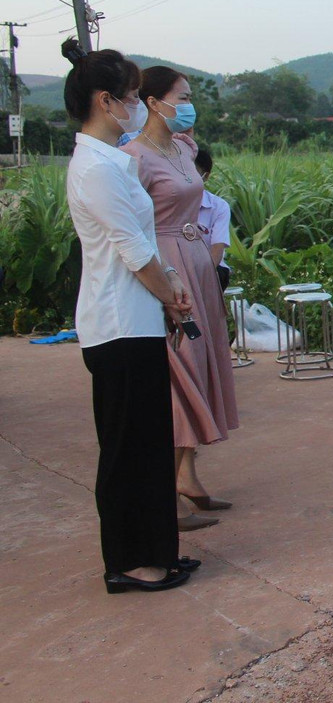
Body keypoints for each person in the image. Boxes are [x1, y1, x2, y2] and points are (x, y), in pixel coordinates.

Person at [61, 38, 198, 593]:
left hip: (138, 317)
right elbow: (133, 251)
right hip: (117, 323)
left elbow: (145, 239)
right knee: (126, 448)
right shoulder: (96, 168)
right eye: (133, 97)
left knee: (147, 442)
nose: (137, 106)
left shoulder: (112, 161)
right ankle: (128, 560)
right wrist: (170, 292)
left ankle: (157, 549)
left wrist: (171, 289)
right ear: (105, 101)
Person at [122, 66, 239, 531]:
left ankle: (187, 477)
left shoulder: (183, 147)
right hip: (168, 261)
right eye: (182, 96)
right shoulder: (133, 157)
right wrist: (163, 283)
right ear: (153, 102)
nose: (189, 104)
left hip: (197, 261)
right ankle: (161, 496)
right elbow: (132, 226)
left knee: (201, 365)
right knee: (180, 375)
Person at [193, 148, 232, 291]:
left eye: (192, 172)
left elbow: (217, 250)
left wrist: (197, 276)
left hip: (210, 267)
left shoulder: (218, 207)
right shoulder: (168, 204)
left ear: (205, 176)